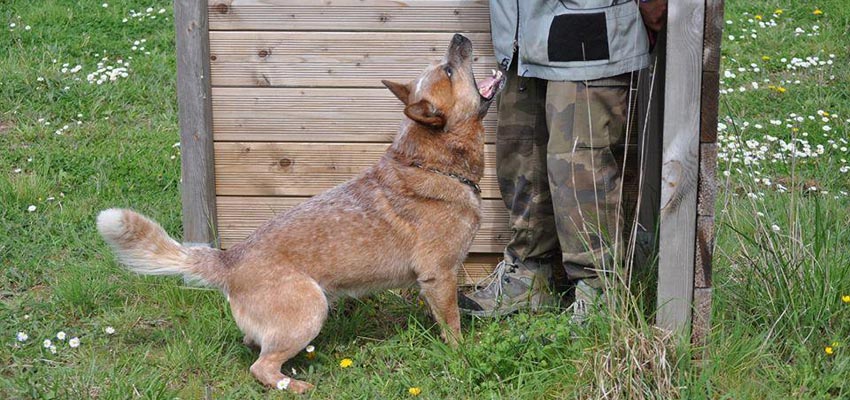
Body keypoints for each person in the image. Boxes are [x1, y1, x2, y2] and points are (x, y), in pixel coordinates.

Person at [458, 0, 668, 318]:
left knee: (579, 172)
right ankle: (527, 281)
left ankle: (599, 299)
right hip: (519, 37)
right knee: (520, 161)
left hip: (589, 35)